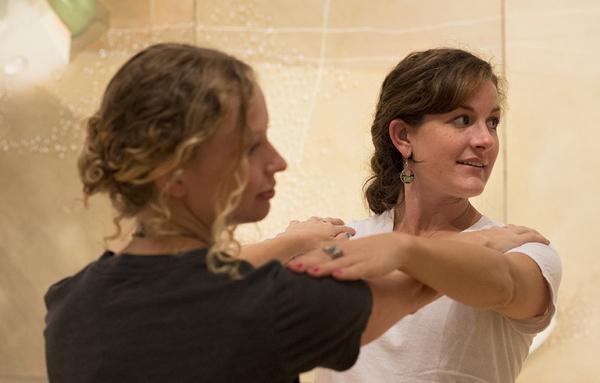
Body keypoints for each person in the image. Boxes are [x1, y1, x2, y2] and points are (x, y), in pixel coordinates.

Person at [43, 43, 548, 383]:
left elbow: (197, 279)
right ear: (402, 137)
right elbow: (415, 284)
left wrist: (288, 244)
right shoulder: (272, 303)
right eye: (250, 145)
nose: (278, 160)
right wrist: (428, 246)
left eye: (492, 121)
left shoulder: (66, 303)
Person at [288, 48, 562, 383]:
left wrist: (404, 249)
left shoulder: (523, 248)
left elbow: (504, 285)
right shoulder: (343, 242)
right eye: (462, 119)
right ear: (403, 137)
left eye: (492, 121)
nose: (486, 139)